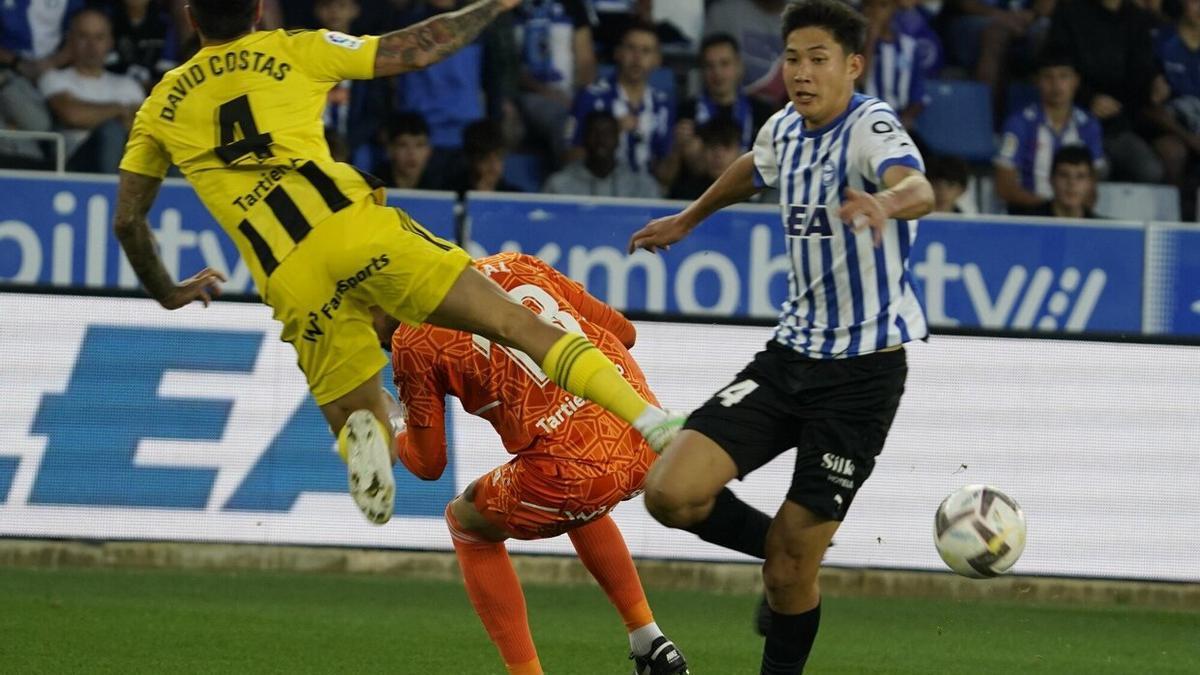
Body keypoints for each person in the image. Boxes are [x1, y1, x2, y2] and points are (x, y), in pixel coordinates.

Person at [112, 0, 682, 528]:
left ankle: (367, 430)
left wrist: (167, 291)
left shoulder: (160, 105)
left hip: (287, 270)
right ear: (258, 9)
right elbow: (416, 47)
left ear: (190, 17)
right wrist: (490, 7)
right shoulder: (294, 48)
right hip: (355, 226)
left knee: (358, 412)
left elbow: (128, 221)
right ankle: (650, 422)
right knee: (520, 326)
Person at [628, 1, 933, 673]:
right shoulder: (786, 129)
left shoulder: (870, 126)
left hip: (862, 376)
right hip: (789, 357)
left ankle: (789, 580)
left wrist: (883, 203)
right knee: (669, 493)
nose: (801, 72)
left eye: (818, 59)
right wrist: (688, 217)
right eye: (792, 57)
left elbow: (919, 186)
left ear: (852, 65)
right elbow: (752, 164)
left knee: (790, 572)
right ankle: (787, 555)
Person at [379, 252, 689, 675]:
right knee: (576, 482)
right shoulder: (517, 264)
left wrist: (391, 426)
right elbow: (625, 333)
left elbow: (428, 464)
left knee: (465, 522)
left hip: (573, 474)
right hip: (643, 435)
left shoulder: (411, 339)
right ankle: (650, 641)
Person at [993, 52, 1105, 215]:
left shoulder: (1088, 125)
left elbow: (1091, 189)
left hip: (1072, 217)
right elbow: (1004, 186)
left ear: (1076, 81)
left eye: (1064, 76)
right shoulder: (1019, 123)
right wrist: (1049, 210)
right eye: (1048, 77)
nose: (1056, 85)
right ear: (1037, 81)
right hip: (1028, 215)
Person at [567, 20, 674, 185]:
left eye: (645, 51)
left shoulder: (663, 105)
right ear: (618, 53)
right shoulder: (590, 97)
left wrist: (678, 150)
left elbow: (665, 174)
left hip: (646, 194)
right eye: (631, 48)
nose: (637, 58)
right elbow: (569, 157)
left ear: (657, 60)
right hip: (595, 189)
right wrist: (610, 133)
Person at [40, 9, 146, 173]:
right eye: (83, 36)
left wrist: (98, 114)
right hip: (75, 165)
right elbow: (73, 115)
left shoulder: (128, 85)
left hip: (128, 165)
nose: (91, 45)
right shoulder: (54, 78)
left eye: (99, 37)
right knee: (111, 131)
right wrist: (120, 110)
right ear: (70, 40)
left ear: (110, 42)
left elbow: (144, 128)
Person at [675, 33, 774, 176]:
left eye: (724, 64)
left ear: (739, 66)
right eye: (709, 66)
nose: (717, 72)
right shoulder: (686, 111)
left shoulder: (762, 112)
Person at [544, 110, 661, 198]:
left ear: (618, 140)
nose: (601, 139)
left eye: (607, 133)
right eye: (594, 133)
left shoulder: (643, 186)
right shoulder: (558, 185)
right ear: (584, 139)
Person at [859, 0, 925, 130]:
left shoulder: (909, 47)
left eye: (882, 6)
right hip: (863, 119)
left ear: (894, 9)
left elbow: (918, 97)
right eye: (868, 6)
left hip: (898, 120)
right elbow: (859, 82)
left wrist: (905, 119)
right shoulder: (855, 47)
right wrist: (870, 40)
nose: (874, 12)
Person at [1026, 144, 1104, 218]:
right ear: (1051, 179)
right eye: (1064, 175)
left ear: (1090, 183)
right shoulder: (1028, 223)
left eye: (1080, 176)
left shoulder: (1101, 228)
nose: (1072, 183)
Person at [373, 112, 437, 190]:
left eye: (419, 145)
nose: (411, 153)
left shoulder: (442, 187)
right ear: (390, 150)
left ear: (429, 151)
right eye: (403, 145)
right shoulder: (372, 186)